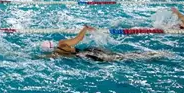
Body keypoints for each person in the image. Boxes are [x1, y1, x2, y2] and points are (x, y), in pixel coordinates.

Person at [39, 26, 169, 62]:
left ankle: (152, 55)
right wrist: (85, 28)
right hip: (90, 51)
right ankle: (153, 54)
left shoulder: (56, 54)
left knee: (122, 58)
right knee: (121, 55)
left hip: (88, 56)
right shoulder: (62, 43)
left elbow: (44, 58)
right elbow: (78, 39)